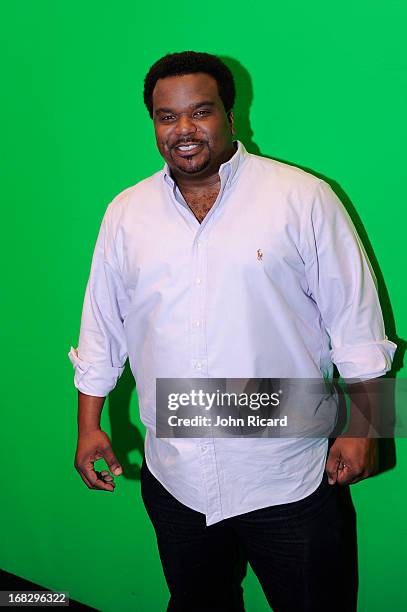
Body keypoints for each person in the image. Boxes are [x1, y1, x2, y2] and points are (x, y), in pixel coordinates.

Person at [69, 51, 397, 611]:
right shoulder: (126, 214)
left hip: (288, 467)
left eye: (201, 112)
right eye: (166, 116)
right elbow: (102, 326)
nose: (184, 130)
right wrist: (88, 424)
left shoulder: (302, 197)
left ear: (230, 114)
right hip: (175, 471)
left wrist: (365, 429)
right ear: (153, 123)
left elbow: (358, 325)